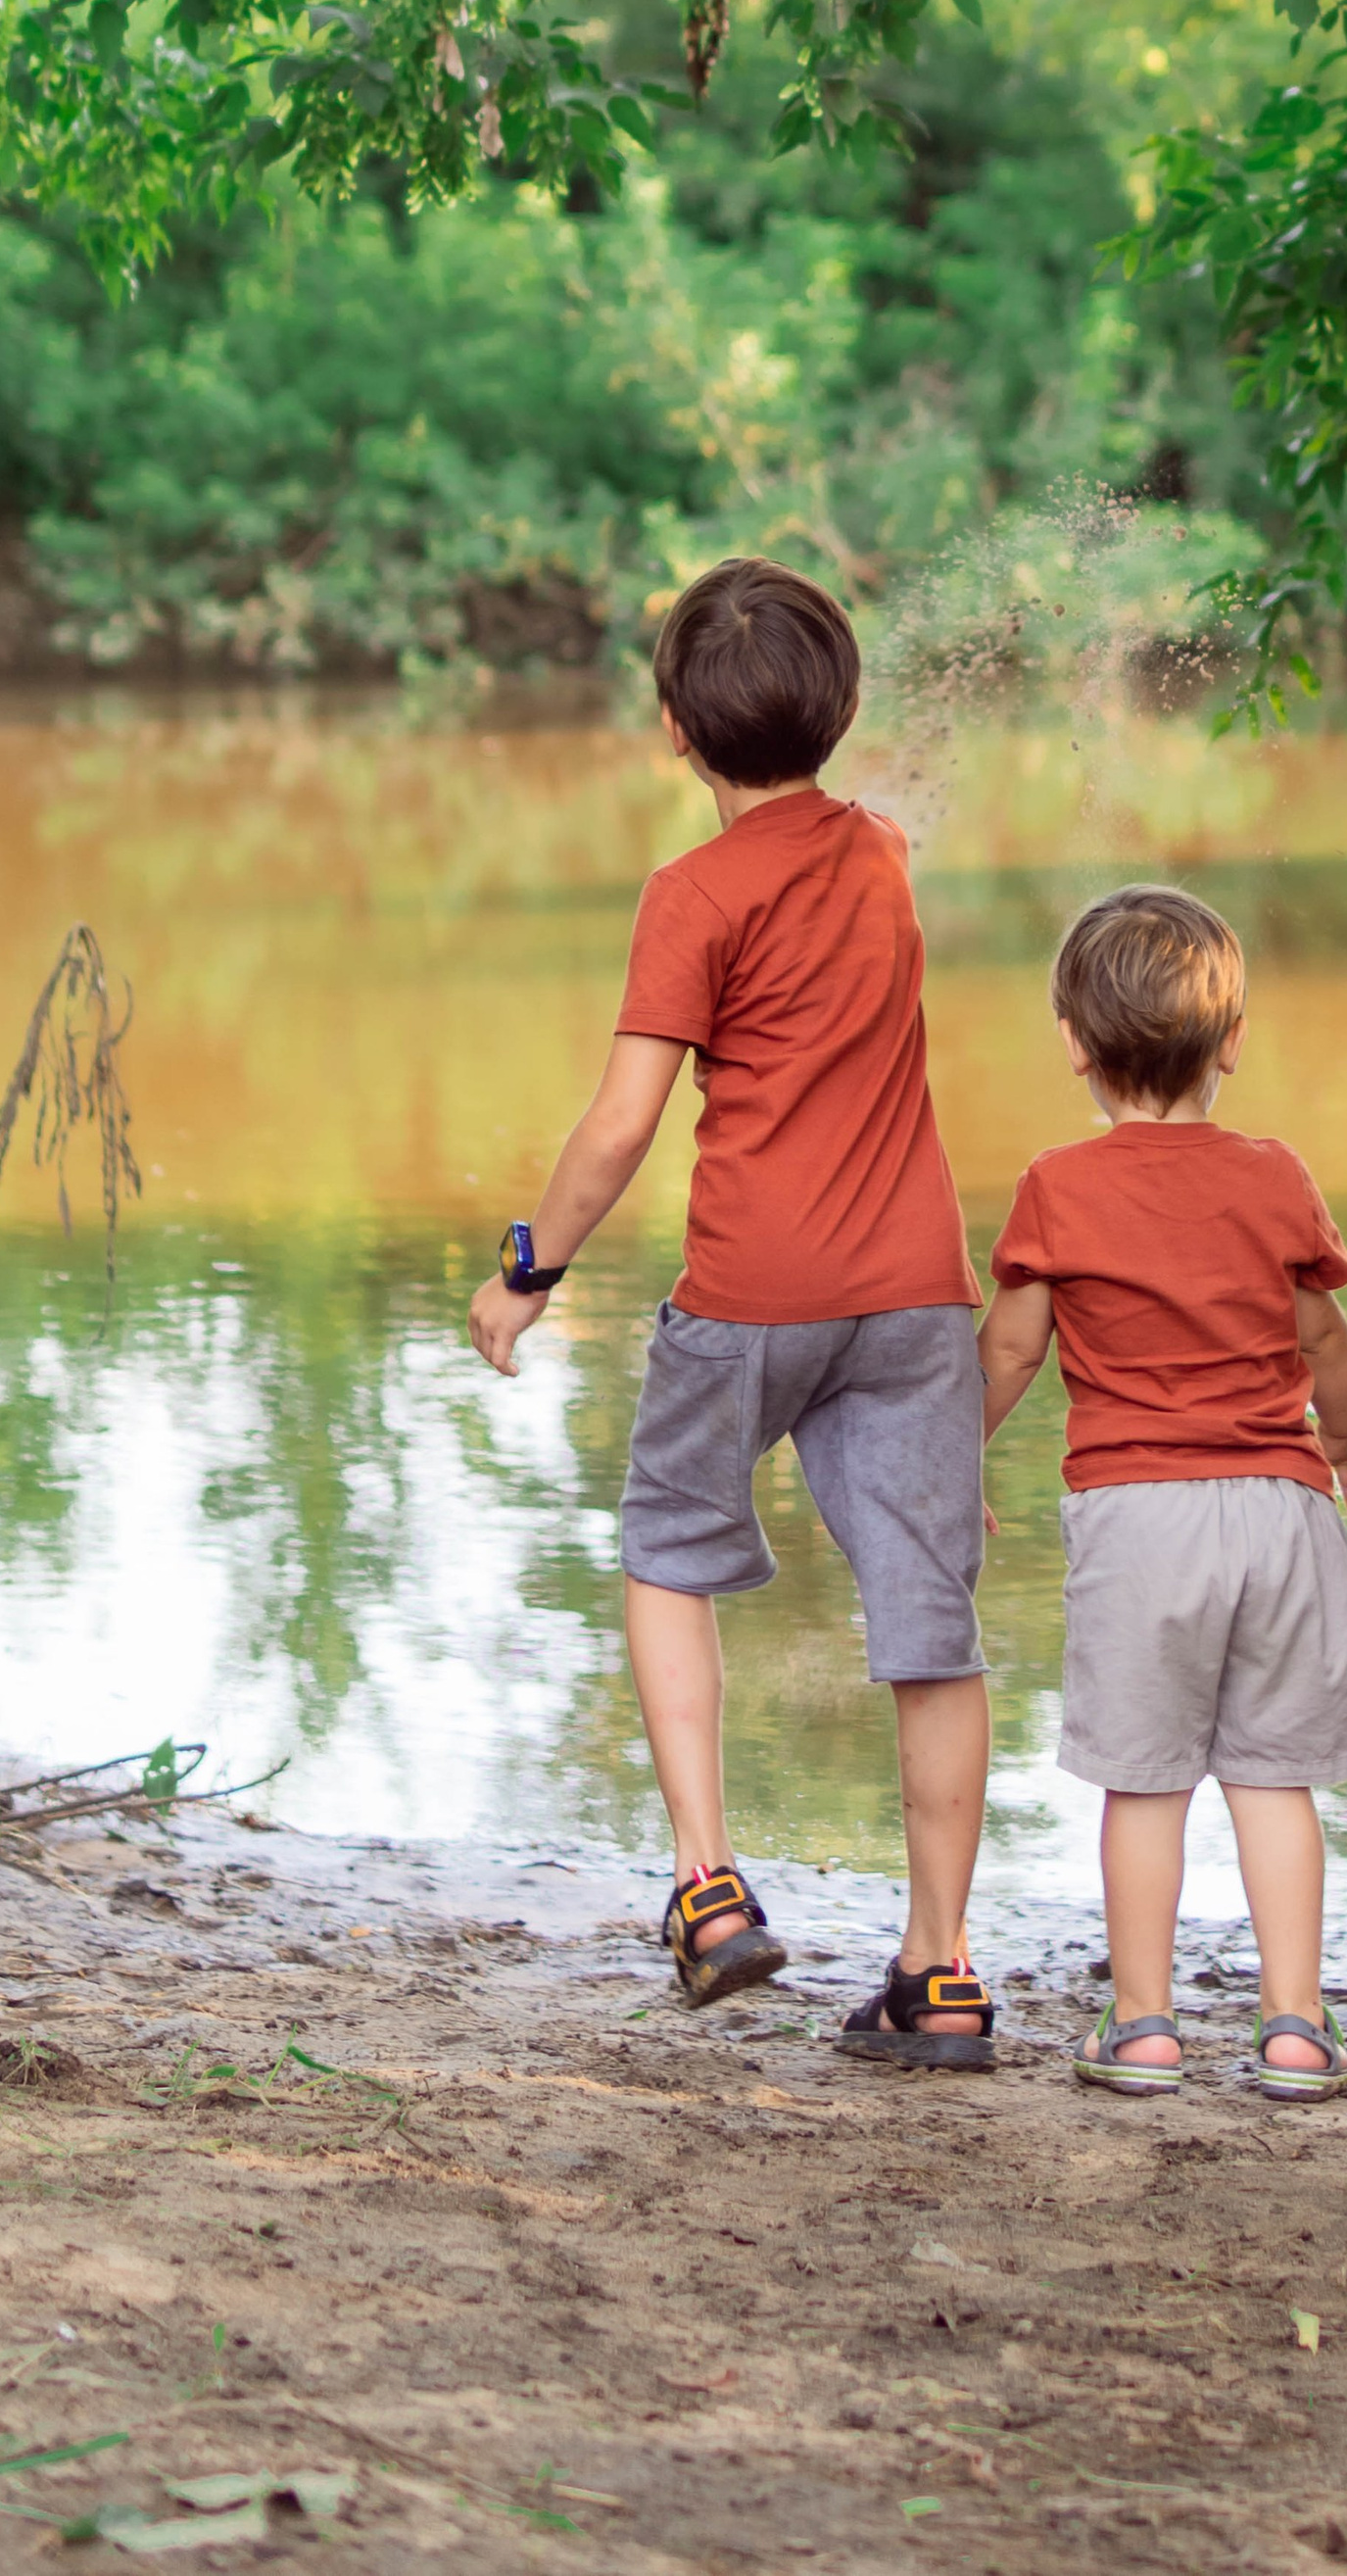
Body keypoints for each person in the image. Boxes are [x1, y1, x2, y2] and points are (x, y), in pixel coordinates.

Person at [465, 558, 999, 2066]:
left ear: (672, 732)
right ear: (839, 712)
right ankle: (939, 1969)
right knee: (932, 1625)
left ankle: (708, 1886)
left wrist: (529, 1267)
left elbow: (624, 1122)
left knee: (664, 1546)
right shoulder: (884, 850)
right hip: (913, 1299)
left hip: (751, 1292)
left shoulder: (689, 894)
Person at [978, 886, 1347, 2100]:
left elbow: (1011, 1350)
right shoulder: (1275, 1175)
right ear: (1231, 1042)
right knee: (1274, 1778)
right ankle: (1295, 2025)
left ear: (1072, 1043)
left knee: (1145, 1782)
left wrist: (949, 1460)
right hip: (1280, 1505)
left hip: (1139, 1515)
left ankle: (1147, 2025)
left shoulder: (1058, 1186)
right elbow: (1327, 1337)